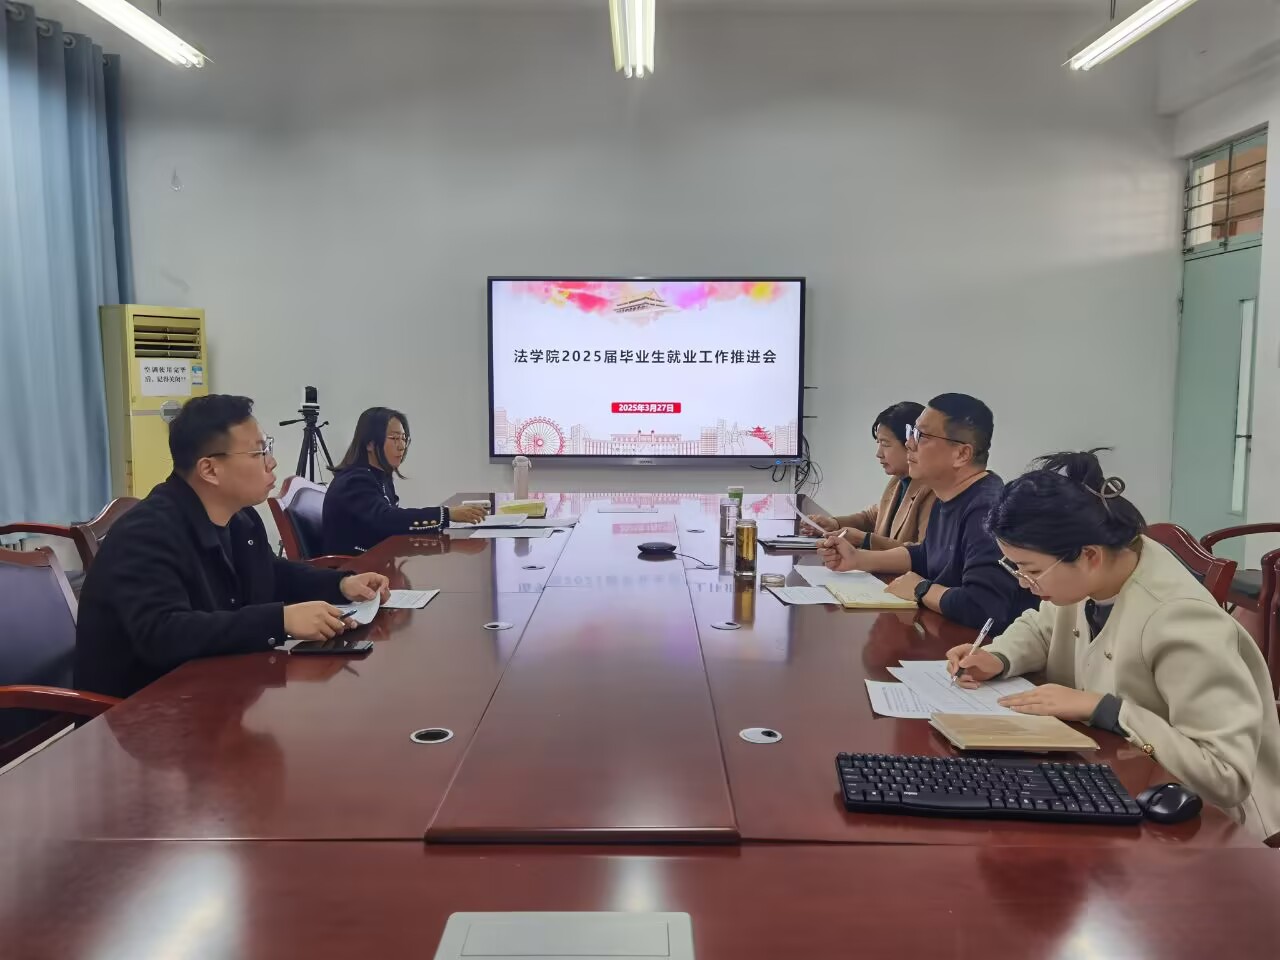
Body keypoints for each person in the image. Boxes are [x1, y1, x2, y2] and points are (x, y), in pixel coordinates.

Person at [947, 450, 1280, 844]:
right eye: (1014, 568)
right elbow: (1042, 628)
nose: (1023, 582)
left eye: (1031, 570)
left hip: (1206, 831)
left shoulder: (1180, 620)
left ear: (1089, 556)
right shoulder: (1097, 573)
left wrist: (1104, 709)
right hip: (1113, 779)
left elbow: (1225, 776)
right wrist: (998, 657)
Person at [76, 395, 389, 698]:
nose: (272, 462)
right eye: (259, 452)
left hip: (214, 687)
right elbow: (164, 634)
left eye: (268, 447)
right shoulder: (147, 533)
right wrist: (281, 621)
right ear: (210, 470)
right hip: (142, 712)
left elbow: (271, 573)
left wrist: (341, 584)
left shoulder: (240, 518)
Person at [817, 393, 1034, 632]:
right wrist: (858, 559)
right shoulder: (947, 495)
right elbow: (926, 554)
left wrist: (921, 589)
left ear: (961, 454)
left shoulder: (987, 510)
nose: (909, 444)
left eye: (922, 436)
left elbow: (982, 607)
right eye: (912, 432)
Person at [322, 407, 485, 556]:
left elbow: (393, 521)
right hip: (355, 569)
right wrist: (447, 514)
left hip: (379, 561)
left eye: (404, 438)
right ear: (370, 444)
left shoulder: (380, 475)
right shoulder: (354, 481)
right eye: (394, 438)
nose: (401, 446)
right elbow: (386, 520)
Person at [807, 401, 936, 550]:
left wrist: (865, 540)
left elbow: (924, 552)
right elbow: (873, 517)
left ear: (911, 444)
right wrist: (834, 523)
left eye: (885, 444)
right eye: (878, 443)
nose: (878, 453)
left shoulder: (933, 489)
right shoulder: (898, 480)